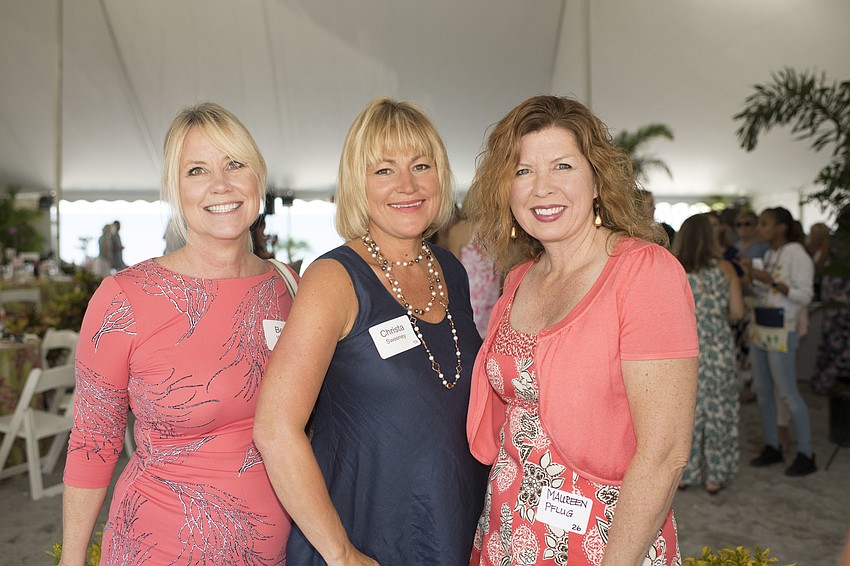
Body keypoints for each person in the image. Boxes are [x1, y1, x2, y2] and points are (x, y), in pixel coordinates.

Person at [464, 95, 698, 565]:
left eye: (562, 166)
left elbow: (665, 453)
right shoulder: (518, 280)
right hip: (507, 530)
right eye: (522, 171)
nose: (541, 188)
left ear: (597, 180)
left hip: (605, 540)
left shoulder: (643, 273)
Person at [253, 97, 487, 566]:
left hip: (448, 525)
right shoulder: (334, 279)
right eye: (384, 170)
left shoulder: (448, 270)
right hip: (366, 537)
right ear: (357, 184)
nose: (408, 184)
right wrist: (341, 554)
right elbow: (275, 428)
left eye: (422, 166)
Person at [61, 102, 296, 564]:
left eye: (235, 163)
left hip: (286, 547)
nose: (221, 184)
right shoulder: (124, 298)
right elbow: (94, 442)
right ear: (173, 189)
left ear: (259, 177)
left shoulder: (288, 285)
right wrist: (71, 560)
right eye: (196, 170)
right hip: (164, 544)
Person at [673, 213, 744, 494]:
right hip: (718, 350)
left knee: (685, 413)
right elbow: (737, 312)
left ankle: (685, 474)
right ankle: (716, 474)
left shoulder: (674, 270)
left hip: (683, 351)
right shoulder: (725, 268)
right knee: (720, 412)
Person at [743, 206, 816, 476]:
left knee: (787, 392)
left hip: (783, 329)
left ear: (781, 227)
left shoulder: (797, 254)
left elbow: (804, 295)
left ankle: (806, 452)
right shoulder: (772, 253)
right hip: (762, 327)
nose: (759, 229)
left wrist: (770, 280)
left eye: (764, 224)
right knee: (764, 391)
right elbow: (766, 291)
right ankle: (773, 445)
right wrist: (753, 276)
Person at [446, 200, 501, 337]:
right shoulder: (499, 231)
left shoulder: (459, 230)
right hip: (492, 294)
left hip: (467, 293)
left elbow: (452, 269)